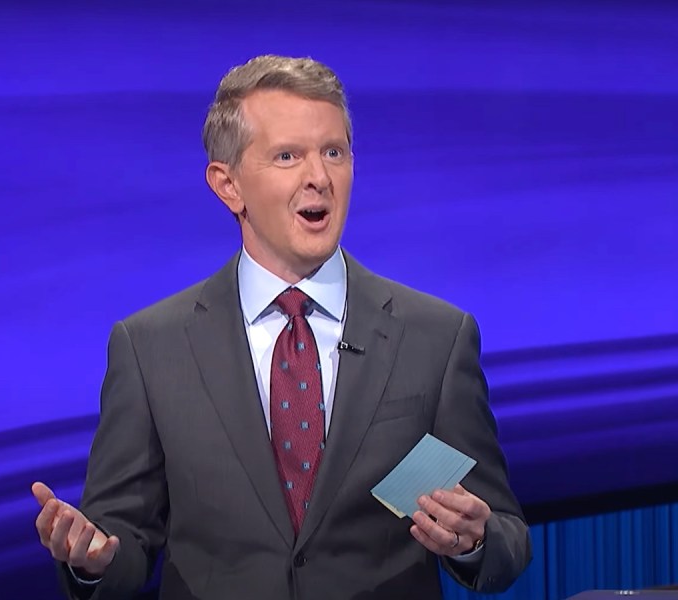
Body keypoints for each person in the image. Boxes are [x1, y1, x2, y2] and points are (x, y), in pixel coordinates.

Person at [32, 54, 532, 600]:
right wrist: (93, 560)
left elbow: (505, 540)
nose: (318, 178)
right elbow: (124, 539)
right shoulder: (151, 348)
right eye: (288, 155)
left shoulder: (437, 336)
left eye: (334, 153)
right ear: (229, 186)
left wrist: (475, 540)